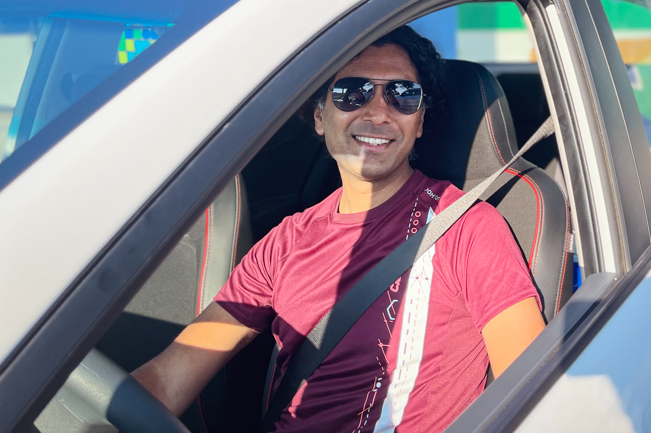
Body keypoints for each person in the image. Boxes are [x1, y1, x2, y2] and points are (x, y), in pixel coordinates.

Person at [133, 26, 546, 432]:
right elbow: (172, 376)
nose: (379, 112)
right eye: (353, 92)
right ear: (319, 115)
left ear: (419, 123)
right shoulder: (284, 242)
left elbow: (533, 395)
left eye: (403, 96)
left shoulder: (467, 230)